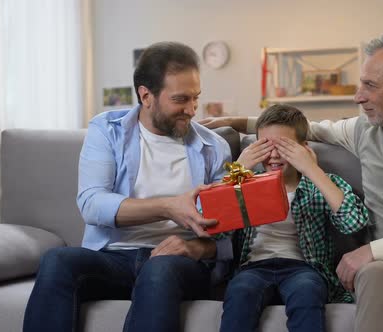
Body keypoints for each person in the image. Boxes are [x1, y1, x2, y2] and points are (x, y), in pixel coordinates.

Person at [201, 33, 383, 332]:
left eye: (371, 85)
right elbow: (308, 129)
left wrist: (374, 250)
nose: (358, 96)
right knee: (374, 275)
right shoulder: (363, 129)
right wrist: (237, 123)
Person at [23, 41, 232, 332]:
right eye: (181, 99)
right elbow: (92, 204)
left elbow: (232, 229)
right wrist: (168, 207)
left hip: (178, 261)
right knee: (58, 260)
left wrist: (196, 247)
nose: (192, 109)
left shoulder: (213, 146)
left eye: (196, 98)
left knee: (160, 270)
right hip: (114, 257)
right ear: (146, 96)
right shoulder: (106, 131)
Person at [219, 104, 368, 332]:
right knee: (240, 292)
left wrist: (312, 170)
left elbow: (354, 222)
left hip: (303, 268)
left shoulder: (319, 183)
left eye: (284, 147)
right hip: (253, 267)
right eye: (265, 146)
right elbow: (213, 228)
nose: (274, 155)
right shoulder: (244, 183)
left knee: (307, 292)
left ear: (303, 149)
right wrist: (237, 172)